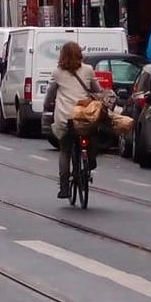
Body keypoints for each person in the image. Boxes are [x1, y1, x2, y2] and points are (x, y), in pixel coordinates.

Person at [44, 41, 107, 199]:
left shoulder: (57, 72)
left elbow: (50, 94)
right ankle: (90, 161)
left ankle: (64, 188)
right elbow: (97, 91)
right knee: (91, 135)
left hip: (66, 119)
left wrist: (47, 106)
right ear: (79, 54)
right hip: (84, 116)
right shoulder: (88, 70)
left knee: (65, 151)